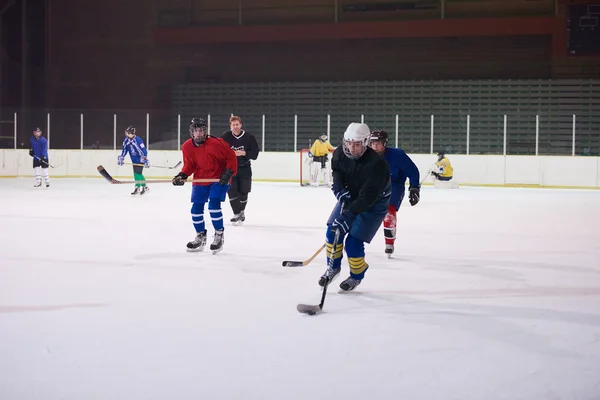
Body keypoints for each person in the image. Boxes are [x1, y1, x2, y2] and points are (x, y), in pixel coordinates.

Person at [318, 122, 391, 292]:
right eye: (349, 143)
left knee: (353, 242)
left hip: (374, 202)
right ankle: (333, 267)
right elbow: (337, 171)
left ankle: (357, 274)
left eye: (357, 144)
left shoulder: (377, 165)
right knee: (332, 232)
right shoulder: (339, 153)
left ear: (365, 143)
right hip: (352, 195)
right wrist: (339, 189)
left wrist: (349, 216)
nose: (352, 147)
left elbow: (367, 197)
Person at [173, 117, 238, 254]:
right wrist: (182, 175)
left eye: (202, 130)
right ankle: (200, 235)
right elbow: (189, 165)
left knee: (213, 205)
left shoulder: (216, 144)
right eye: (196, 131)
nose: (199, 133)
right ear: (192, 132)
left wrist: (228, 173)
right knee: (196, 209)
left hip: (219, 179)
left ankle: (219, 234)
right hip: (200, 179)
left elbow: (231, 157)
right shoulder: (186, 146)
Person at [369, 130, 420, 257]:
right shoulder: (366, 155)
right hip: (373, 186)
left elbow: (413, 171)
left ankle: (389, 243)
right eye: (372, 143)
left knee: (389, 212)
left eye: (378, 143)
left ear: (385, 143)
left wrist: (414, 188)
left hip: (394, 186)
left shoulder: (397, 155)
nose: (375, 147)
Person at [220, 116, 260, 225]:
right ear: (230, 126)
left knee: (243, 193)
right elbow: (219, 152)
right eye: (233, 125)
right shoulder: (225, 137)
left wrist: (244, 153)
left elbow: (255, 154)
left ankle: (241, 211)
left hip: (245, 168)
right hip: (230, 169)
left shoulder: (249, 137)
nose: (236, 127)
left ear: (241, 125)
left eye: (237, 124)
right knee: (231, 191)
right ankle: (236, 213)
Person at [117, 126, 149, 195]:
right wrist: (122, 156)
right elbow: (125, 149)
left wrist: (145, 158)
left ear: (131, 134)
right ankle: (145, 187)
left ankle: (137, 188)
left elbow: (143, 150)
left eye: (128, 132)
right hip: (134, 160)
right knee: (139, 174)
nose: (126, 134)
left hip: (140, 160)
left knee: (137, 174)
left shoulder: (138, 140)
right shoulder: (126, 140)